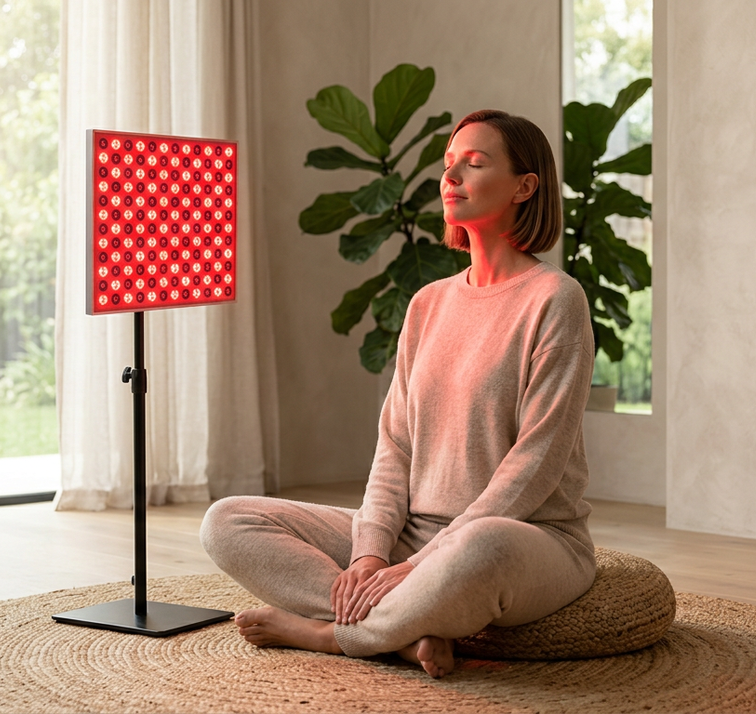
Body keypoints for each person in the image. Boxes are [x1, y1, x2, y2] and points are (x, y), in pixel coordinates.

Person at [201, 109, 596, 678]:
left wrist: (423, 564)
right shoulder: (427, 304)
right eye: (448, 165)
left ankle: (332, 636)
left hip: (527, 536)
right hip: (416, 529)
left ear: (525, 186)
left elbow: (535, 465)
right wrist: (370, 554)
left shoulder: (556, 299)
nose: (451, 177)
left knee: (481, 550)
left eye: (475, 163)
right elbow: (395, 448)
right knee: (227, 520)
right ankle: (403, 635)